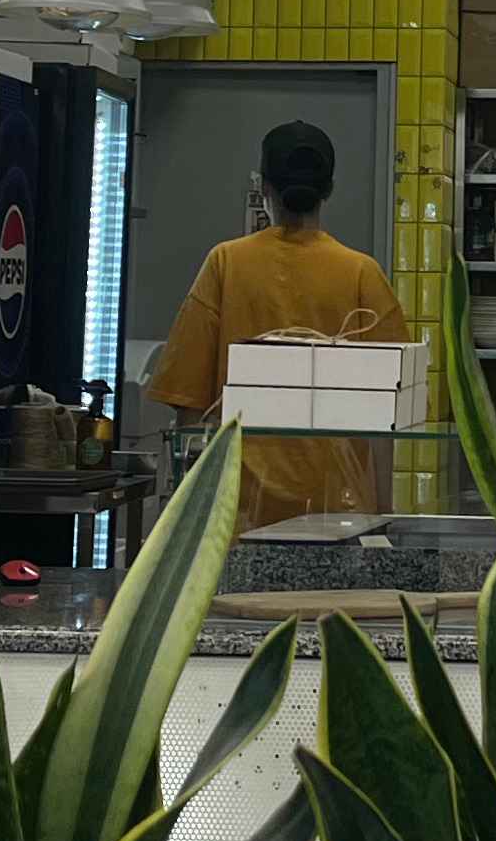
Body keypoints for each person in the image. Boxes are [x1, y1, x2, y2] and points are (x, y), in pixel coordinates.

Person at [146, 118, 411, 531]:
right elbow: (387, 416)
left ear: (264, 187)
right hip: (337, 512)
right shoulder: (362, 274)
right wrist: (382, 513)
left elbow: (189, 404)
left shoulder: (226, 263)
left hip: (238, 510)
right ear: (329, 189)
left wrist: (190, 515)